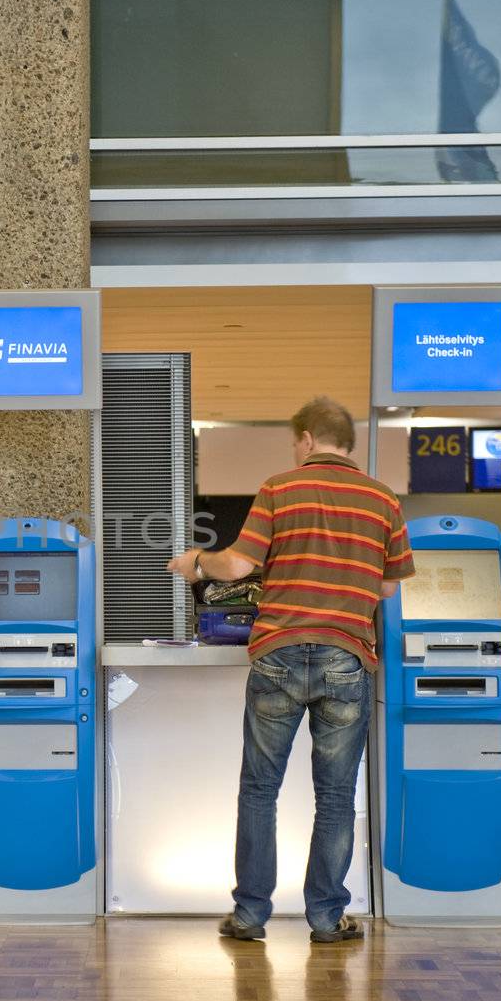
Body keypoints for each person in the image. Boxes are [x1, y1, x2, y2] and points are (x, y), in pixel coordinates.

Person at [168, 396, 414, 944]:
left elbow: (237, 564)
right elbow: (391, 585)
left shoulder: (280, 488)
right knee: (336, 795)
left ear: (306, 439)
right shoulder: (382, 500)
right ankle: (327, 918)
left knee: (259, 790)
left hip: (279, 653)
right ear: (345, 442)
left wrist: (194, 562)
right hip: (348, 657)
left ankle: (250, 916)